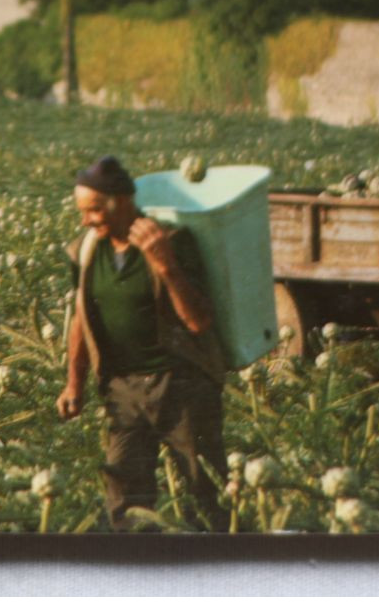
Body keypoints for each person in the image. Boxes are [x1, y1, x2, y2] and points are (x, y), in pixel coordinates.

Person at [56, 155, 228, 531]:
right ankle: (134, 565)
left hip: (181, 387)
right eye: (83, 212)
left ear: (124, 203)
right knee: (124, 494)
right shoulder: (85, 251)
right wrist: (74, 382)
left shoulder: (174, 242)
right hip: (121, 390)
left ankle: (215, 565)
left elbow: (198, 322)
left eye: (95, 211)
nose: (86, 220)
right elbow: (81, 318)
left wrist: (165, 264)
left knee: (205, 491)